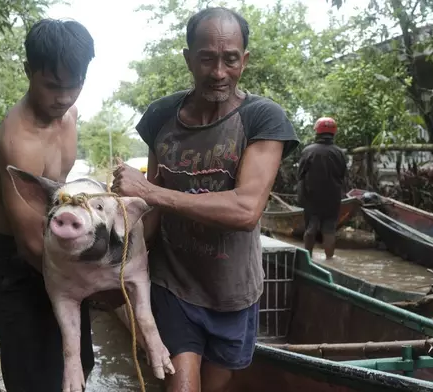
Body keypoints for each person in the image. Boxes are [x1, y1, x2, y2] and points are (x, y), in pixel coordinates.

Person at [112, 7, 299, 392]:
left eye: (230, 60)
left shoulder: (263, 118)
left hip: (234, 293)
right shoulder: (160, 117)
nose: (218, 72)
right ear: (188, 59)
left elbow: (246, 209)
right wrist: (115, 263)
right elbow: (151, 217)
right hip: (173, 285)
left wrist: (149, 191)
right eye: (207, 59)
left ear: (244, 60)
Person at [0, 19, 97, 392]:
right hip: (11, 263)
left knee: (78, 363)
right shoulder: (19, 140)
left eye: (74, 85)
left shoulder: (69, 117)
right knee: (36, 380)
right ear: (28, 71)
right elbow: (28, 246)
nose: (63, 97)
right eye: (52, 86)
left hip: (55, 249)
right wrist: (91, 283)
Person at [297, 117, 347, 259]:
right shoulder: (339, 153)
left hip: (312, 197)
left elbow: (300, 175)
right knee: (329, 230)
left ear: (317, 132)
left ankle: (308, 259)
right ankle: (330, 262)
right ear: (333, 133)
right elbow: (343, 175)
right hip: (333, 197)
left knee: (311, 227)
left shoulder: (308, 151)